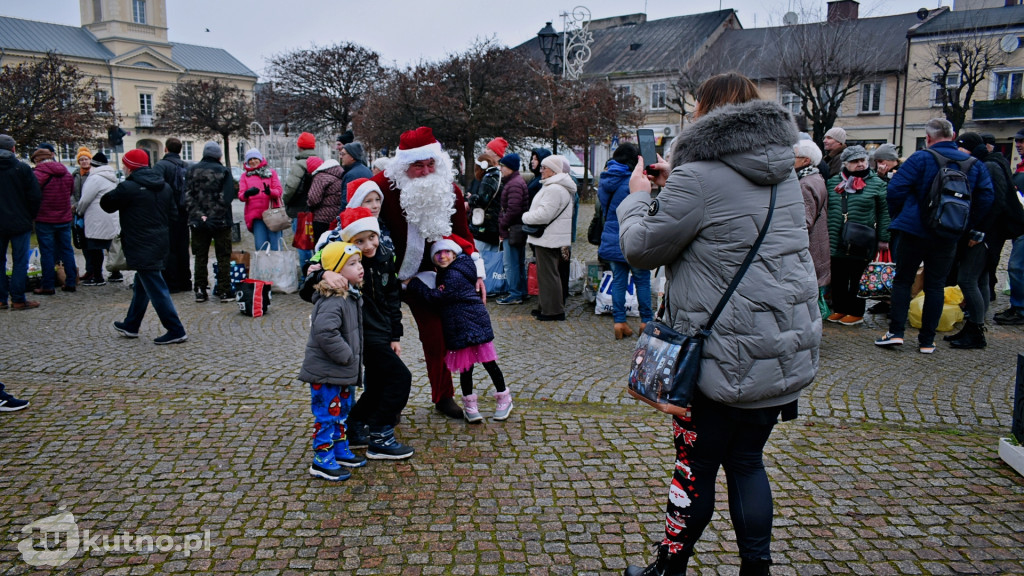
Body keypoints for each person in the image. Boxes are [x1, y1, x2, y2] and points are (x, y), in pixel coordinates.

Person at [618, 73, 821, 576]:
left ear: (707, 113)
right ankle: (757, 570)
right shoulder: (787, 176)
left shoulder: (698, 177)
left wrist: (639, 197)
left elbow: (640, 250)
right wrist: (677, 188)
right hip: (777, 349)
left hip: (715, 358)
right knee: (748, 463)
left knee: (696, 468)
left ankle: (670, 567)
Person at [371, 127, 485, 419]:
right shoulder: (381, 187)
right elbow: (355, 220)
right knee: (380, 340)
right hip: (385, 275)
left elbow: (463, 235)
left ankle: (443, 396)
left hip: (428, 276)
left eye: (430, 164)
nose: (424, 172)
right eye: (417, 165)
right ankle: (383, 403)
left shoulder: (449, 189)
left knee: (438, 335)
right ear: (403, 165)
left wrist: (477, 273)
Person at [304, 207, 414, 460]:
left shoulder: (386, 257)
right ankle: (380, 435)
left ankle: (354, 425)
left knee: (377, 384)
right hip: (361, 333)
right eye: (359, 241)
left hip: (382, 331)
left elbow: (393, 298)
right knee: (399, 379)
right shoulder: (345, 258)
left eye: (371, 238)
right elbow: (308, 283)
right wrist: (324, 273)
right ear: (349, 242)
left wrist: (395, 335)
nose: (367, 245)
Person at [876, 118, 993, 354]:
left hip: (914, 230)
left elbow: (895, 189)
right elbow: (986, 196)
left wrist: (904, 214)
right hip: (948, 233)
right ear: (953, 135)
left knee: (903, 280)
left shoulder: (920, 158)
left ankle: (896, 333)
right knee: (936, 285)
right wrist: (965, 224)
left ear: (928, 138)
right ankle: (927, 341)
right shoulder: (974, 164)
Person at [406, 236, 513, 422]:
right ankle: (471, 406)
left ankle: (504, 398)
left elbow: (438, 297)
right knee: (466, 369)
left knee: (489, 364)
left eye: (446, 252)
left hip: (473, 326)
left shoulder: (454, 275)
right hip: (461, 328)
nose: (442, 256)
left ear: (455, 254)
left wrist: (414, 284)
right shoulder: (447, 273)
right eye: (437, 253)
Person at [101, 148, 188, 345]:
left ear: (130, 167)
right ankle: (131, 324)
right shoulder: (164, 187)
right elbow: (174, 215)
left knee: (156, 287)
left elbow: (106, 204)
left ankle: (175, 329)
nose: (123, 167)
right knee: (143, 284)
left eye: (124, 164)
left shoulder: (128, 188)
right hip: (160, 241)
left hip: (140, 242)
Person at [297, 241, 365, 481]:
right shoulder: (334, 300)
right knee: (327, 414)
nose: (360, 268)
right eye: (353, 264)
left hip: (342, 372)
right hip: (327, 372)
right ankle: (321, 458)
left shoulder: (351, 296)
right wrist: (347, 356)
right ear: (336, 270)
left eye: (360, 263)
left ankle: (339, 449)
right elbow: (325, 332)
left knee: (342, 411)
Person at [946, 132, 1003, 349]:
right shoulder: (988, 163)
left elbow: (993, 201)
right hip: (986, 234)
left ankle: (976, 330)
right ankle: (974, 327)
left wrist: (978, 232)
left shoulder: (987, 166)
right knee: (980, 280)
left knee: (968, 279)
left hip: (983, 236)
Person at [825, 145, 890, 326]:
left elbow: (884, 212)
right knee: (838, 276)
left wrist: (884, 238)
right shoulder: (833, 182)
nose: (860, 164)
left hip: (862, 239)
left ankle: (856, 311)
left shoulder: (877, 183)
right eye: (855, 161)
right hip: (836, 237)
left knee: (857, 277)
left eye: (862, 160)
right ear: (845, 163)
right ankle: (839, 308)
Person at [597, 143, 653, 339]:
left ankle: (619, 323)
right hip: (634, 236)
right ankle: (646, 322)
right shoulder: (633, 180)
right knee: (643, 282)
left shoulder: (606, 178)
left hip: (612, 237)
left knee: (619, 282)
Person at [523, 155, 575, 322]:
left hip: (548, 238)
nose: (541, 170)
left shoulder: (554, 189)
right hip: (550, 236)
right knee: (547, 274)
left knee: (549, 275)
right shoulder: (556, 186)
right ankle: (546, 307)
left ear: (553, 170)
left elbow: (544, 215)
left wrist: (525, 217)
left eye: (544, 168)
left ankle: (552, 311)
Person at [185, 141, 236, 303]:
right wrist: (214, 216)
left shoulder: (191, 170)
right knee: (223, 256)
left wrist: (201, 216)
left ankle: (200, 290)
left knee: (200, 256)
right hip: (221, 222)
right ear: (219, 155)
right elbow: (226, 196)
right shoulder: (224, 172)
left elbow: (187, 197)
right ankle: (224, 290)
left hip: (198, 222)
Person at [0, 134, 42, 311]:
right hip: (20, 221)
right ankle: (18, 299)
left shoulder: (22, 169)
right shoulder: (23, 169)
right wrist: (30, 216)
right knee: (20, 261)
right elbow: (35, 196)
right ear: (13, 149)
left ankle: (1, 299)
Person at [31, 145, 78, 294]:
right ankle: (71, 282)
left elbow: (33, 195)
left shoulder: (38, 174)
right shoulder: (66, 172)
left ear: (38, 160)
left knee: (47, 253)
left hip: (44, 218)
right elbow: (71, 192)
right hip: (64, 218)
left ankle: (48, 285)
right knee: (67, 250)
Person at [991, 128, 1024, 325]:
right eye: (1017, 142)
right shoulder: (1019, 168)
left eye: (1022, 142)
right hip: (1018, 225)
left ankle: (1020, 309)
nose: (1018, 145)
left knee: (1016, 267)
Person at [153, 138, 193, 292]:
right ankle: (186, 281)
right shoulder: (187, 166)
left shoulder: (161, 166)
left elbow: (157, 188)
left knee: (169, 248)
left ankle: (172, 282)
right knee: (183, 247)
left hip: (167, 214)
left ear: (166, 149)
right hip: (184, 212)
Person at [794, 140, 831, 302]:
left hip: (811, 245)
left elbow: (804, 222)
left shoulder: (805, 183)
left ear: (806, 160)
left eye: (794, 156)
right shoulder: (815, 178)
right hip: (817, 243)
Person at [77, 152, 120, 286]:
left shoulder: (94, 178)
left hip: (96, 218)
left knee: (95, 248)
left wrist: (79, 211)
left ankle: (97, 276)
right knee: (112, 247)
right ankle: (115, 273)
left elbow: (85, 199)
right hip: (111, 216)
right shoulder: (113, 177)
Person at [496, 153, 529, 305]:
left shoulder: (514, 184)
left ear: (510, 167)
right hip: (517, 228)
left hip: (512, 229)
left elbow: (513, 209)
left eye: (503, 166)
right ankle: (521, 291)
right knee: (518, 262)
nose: (501, 169)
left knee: (511, 263)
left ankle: (515, 293)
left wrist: (502, 222)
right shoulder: (515, 181)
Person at [237, 148, 284, 250]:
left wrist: (270, 192)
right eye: (250, 159)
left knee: (276, 246)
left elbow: (279, 191)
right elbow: (241, 196)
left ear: (260, 159)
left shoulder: (271, 173)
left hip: (272, 215)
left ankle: (277, 266)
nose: (253, 161)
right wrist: (247, 193)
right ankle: (264, 266)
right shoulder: (245, 176)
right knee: (261, 247)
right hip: (256, 217)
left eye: (255, 158)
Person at [283, 132, 318, 266]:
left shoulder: (300, 165)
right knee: (315, 242)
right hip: (315, 210)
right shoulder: (319, 163)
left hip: (300, 210)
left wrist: (285, 201)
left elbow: (291, 187)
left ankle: (305, 275)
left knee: (303, 243)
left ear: (300, 147)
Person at [466, 151, 503, 251]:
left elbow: (482, 200)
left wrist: (471, 199)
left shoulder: (489, 177)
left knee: (480, 258)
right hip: (494, 226)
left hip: (485, 227)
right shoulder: (498, 175)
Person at [306, 156, 345, 240]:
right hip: (336, 218)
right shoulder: (340, 175)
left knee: (320, 247)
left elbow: (313, 199)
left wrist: (308, 204)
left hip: (321, 219)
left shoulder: (321, 177)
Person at [338, 141, 373, 205]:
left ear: (352, 157)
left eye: (343, 154)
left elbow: (346, 202)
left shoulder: (351, 175)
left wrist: (341, 214)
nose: (341, 157)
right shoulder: (367, 170)